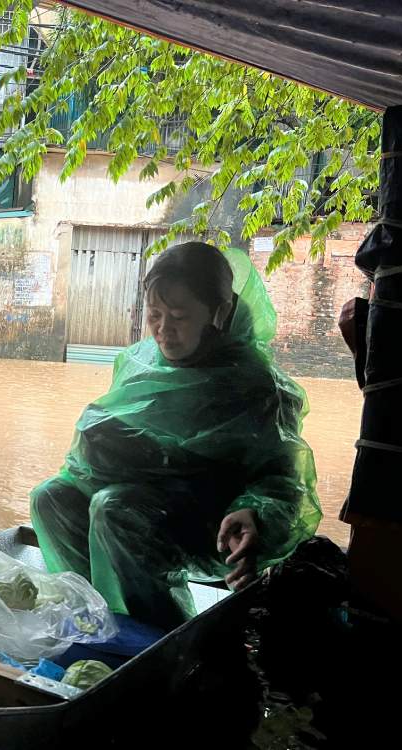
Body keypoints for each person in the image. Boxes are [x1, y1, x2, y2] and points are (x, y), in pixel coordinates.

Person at [31, 242, 321, 631]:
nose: (163, 330)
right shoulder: (137, 361)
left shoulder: (256, 386)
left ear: (219, 313)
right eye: (154, 315)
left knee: (115, 508)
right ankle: (91, 619)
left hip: (210, 528)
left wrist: (256, 514)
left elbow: (285, 482)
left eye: (179, 317)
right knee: (50, 497)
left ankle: (160, 635)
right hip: (136, 499)